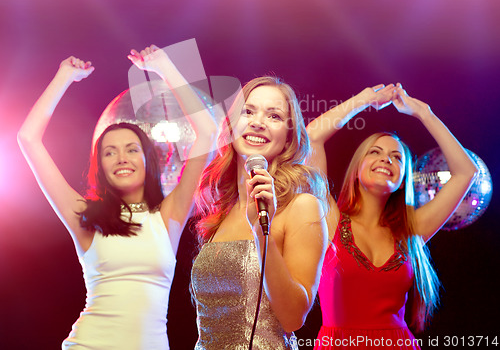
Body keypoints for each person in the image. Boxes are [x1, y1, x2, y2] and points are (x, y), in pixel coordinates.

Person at [17, 45, 216, 350]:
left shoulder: (168, 216)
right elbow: (28, 139)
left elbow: (207, 131)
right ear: (101, 167)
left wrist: (164, 67)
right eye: (110, 151)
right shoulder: (84, 216)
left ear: (149, 160)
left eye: (131, 149)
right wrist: (64, 76)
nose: (121, 158)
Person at [306, 83, 477, 349]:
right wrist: (363, 100)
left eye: (397, 157)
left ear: (403, 177)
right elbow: (311, 138)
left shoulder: (412, 230)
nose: (386, 160)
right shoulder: (329, 220)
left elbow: (466, 172)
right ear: (357, 168)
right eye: (375, 152)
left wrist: (424, 112)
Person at [191, 76, 329, 350]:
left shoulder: (302, 206)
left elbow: (293, 318)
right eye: (248, 111)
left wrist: (259, 232)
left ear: (289, 137)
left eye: (274, 115)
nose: (258, 122)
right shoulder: (221, 213)